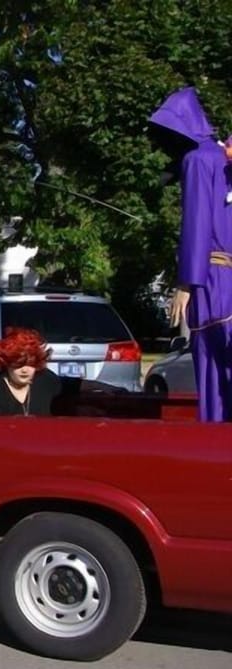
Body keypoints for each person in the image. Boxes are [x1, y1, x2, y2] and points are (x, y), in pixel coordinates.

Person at [149, 87, 232, 422]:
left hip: (212, 280)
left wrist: (186, 282)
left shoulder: (197, 160)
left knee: (211, 365)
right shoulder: (220, 158)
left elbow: (196, 223)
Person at [0, 327, 61, 416]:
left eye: (30, 364)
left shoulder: (47, 381)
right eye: (18, 364)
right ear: (6, 363)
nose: (24, 370)